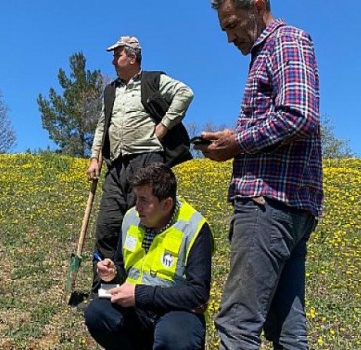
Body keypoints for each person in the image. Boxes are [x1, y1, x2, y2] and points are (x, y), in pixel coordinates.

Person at [196, 1, 323, 349]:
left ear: (257, 5)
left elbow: (299, 114)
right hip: (290, 207)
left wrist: (237, 142)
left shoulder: (284, 41)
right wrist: (232, 137)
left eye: (232, 25)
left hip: (268, 204)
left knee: (238, 325)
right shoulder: (269, 50)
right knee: (288, 331)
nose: (230, 37)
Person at [86, 35, 195, 295]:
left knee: (145, 222)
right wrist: (94, 157)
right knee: (108, 224)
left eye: (117, 55)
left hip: (147, 161)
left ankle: (142, 287)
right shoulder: (111, 90)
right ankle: (104, 286)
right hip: (117, 165)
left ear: (132, 57)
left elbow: (185, 93)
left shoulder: (153, 80)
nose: (113, 60)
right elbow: (103, 124)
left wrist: (163, 127)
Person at [84, 163, 213, 350]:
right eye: (136, 198)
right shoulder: (131, 218)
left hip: (176, 311)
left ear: (166, 204)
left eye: (144, 200)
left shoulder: (194, 227)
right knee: (97, 312)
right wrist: (112, 273)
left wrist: (140, 295)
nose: (137, 207)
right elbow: (122, 266)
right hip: (137, 310)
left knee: (174, 338)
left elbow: (198, 294)